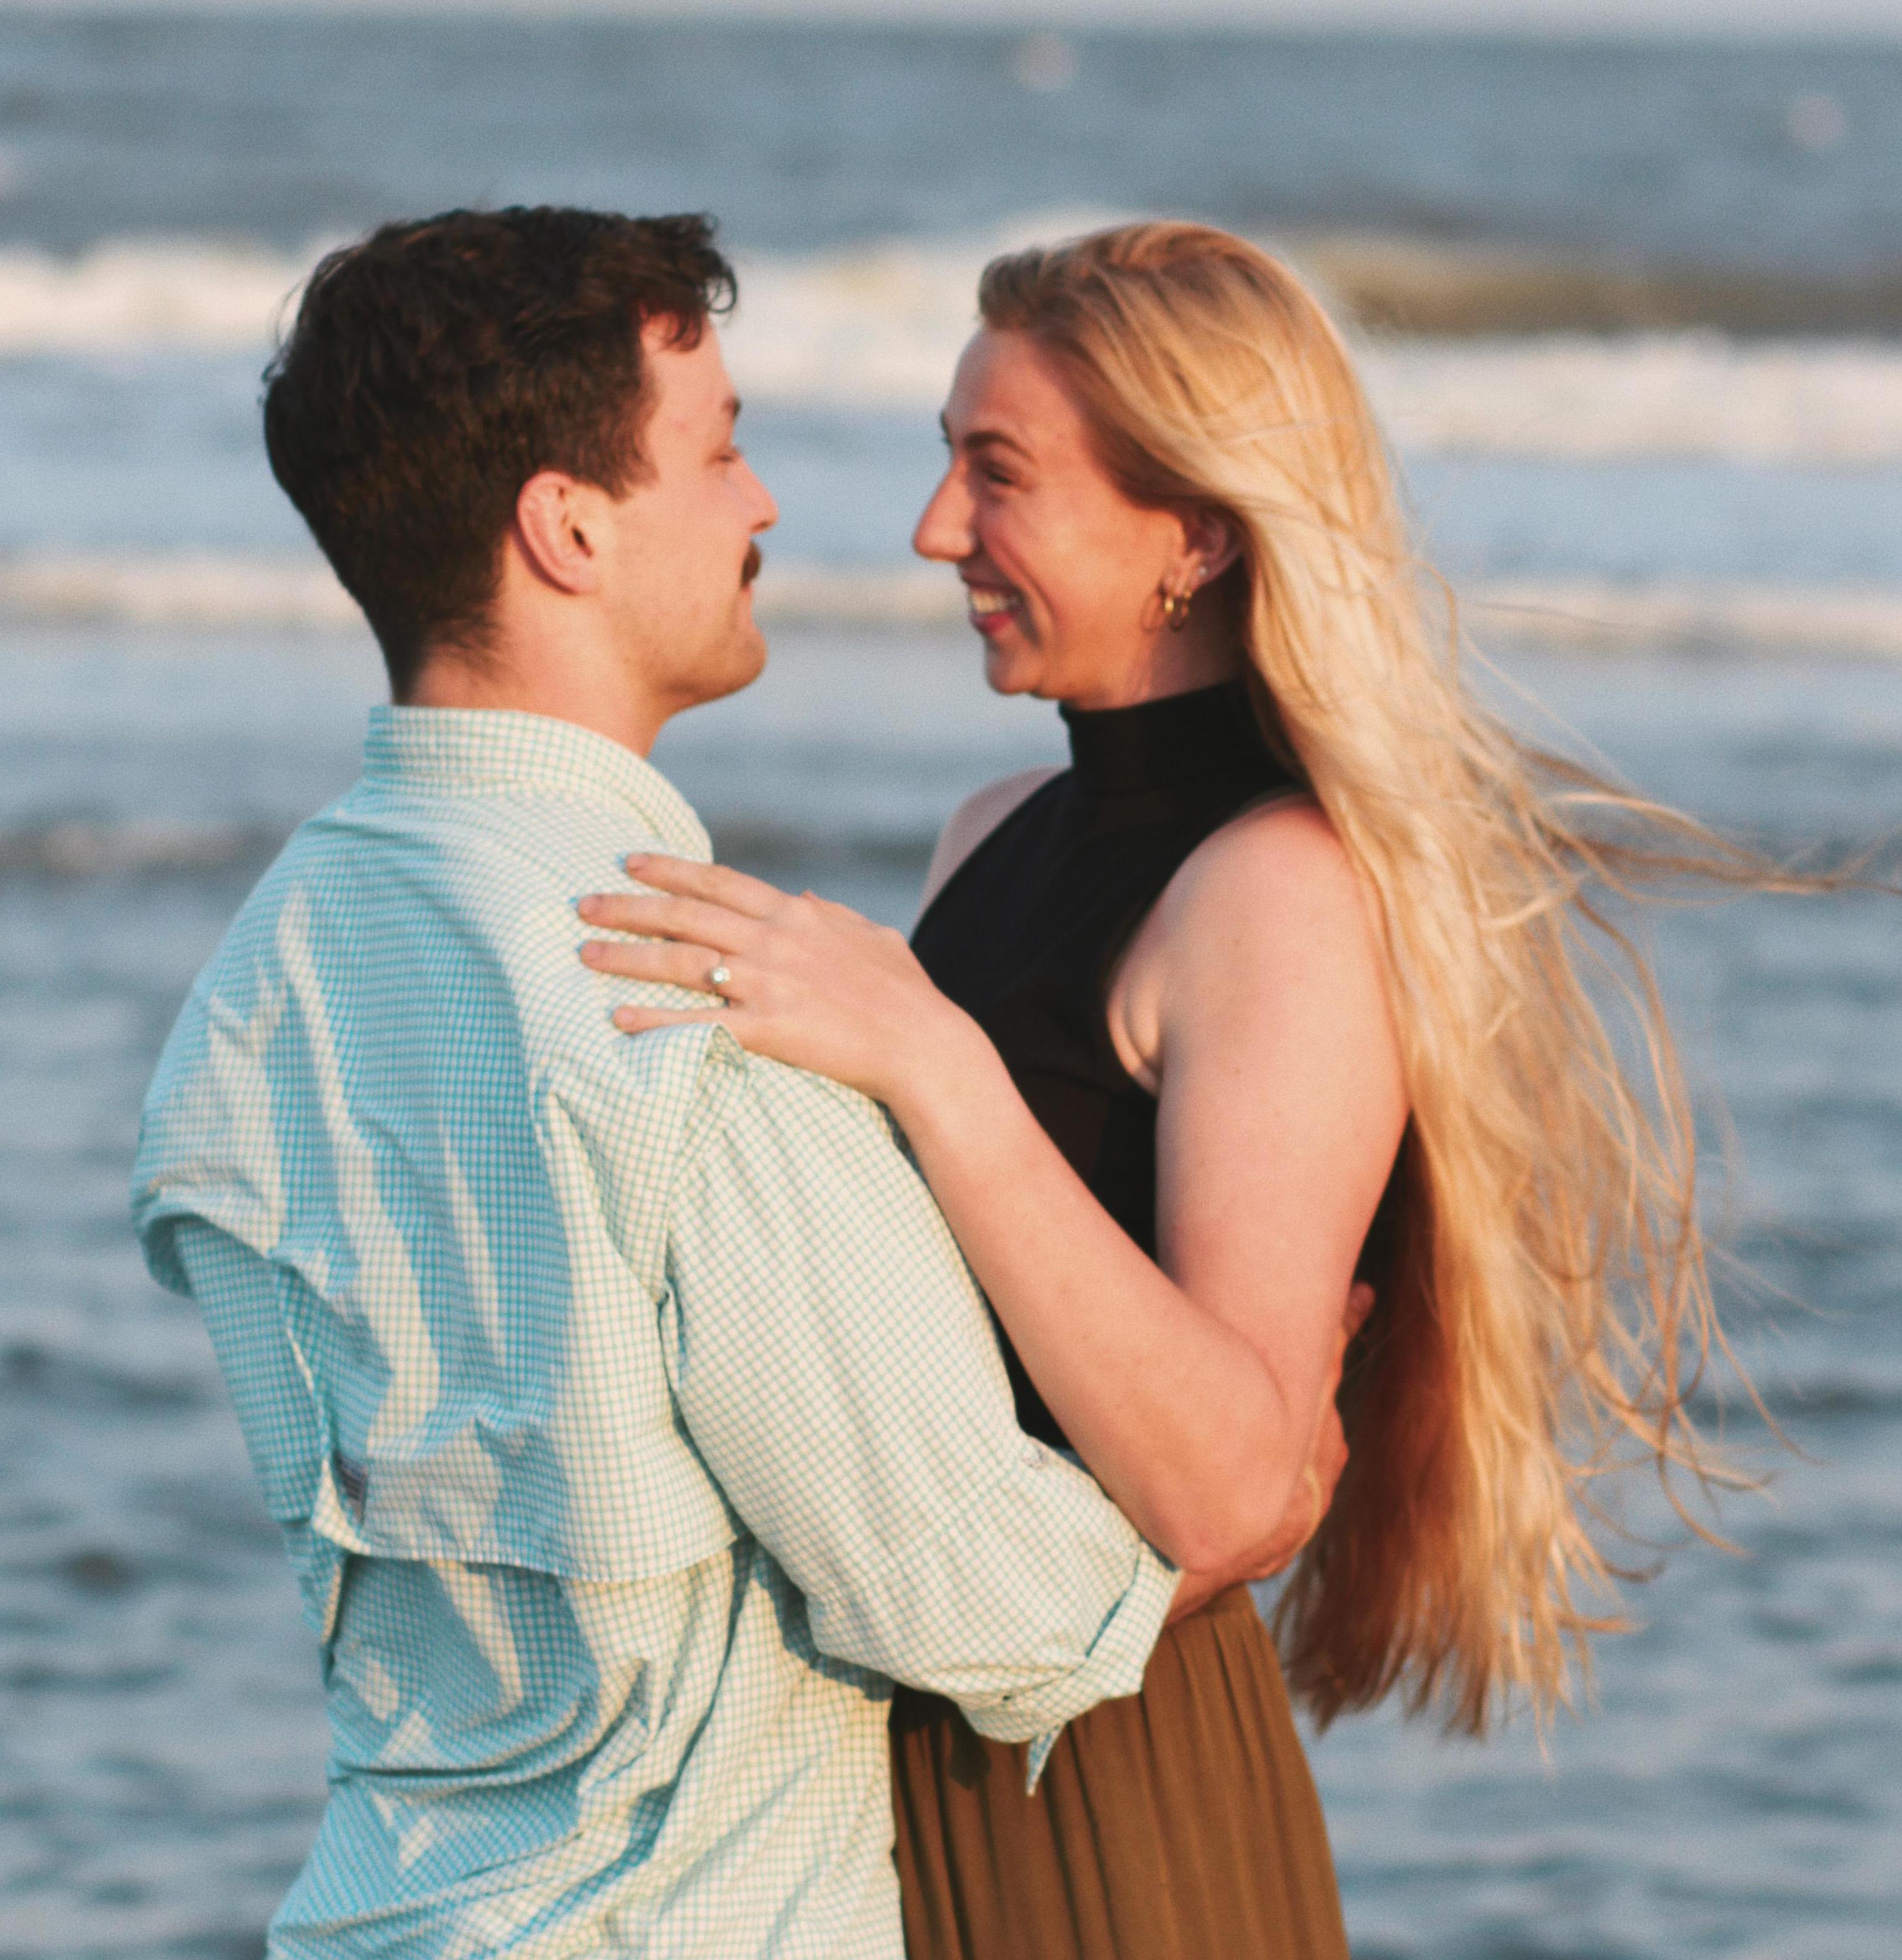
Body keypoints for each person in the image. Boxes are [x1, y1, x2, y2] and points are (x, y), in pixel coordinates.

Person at [578, 222, 1811, 1960]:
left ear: (1198, 531)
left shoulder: (1279, 891)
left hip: (1098, 1779)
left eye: (993, 474)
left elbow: (1228, 1488)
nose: (938, 531)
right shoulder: (993, 829)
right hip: (868, 1761)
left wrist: (924, 1057)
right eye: (945, 462)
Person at [127, 207, 1212, 1959]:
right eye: (716, 452)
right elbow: (1001, 1614)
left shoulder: (257, 981)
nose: (763, 502)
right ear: (565, 527)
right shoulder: (694, 1005)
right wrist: (1235, 1452)